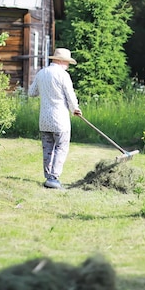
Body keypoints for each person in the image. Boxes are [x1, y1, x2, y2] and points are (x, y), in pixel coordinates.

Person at [28, 48, 82, 189]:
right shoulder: (63, 75)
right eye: (67, 62)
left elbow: (31, 92)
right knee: (61, 147)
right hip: (60, 120)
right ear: (60, 61)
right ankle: (54, 178)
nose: (68, 65)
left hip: (44, 120)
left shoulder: (41, 73)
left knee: (48, 148)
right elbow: (70, 96)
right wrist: (75, 109)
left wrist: (45, 91)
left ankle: (48, 177)